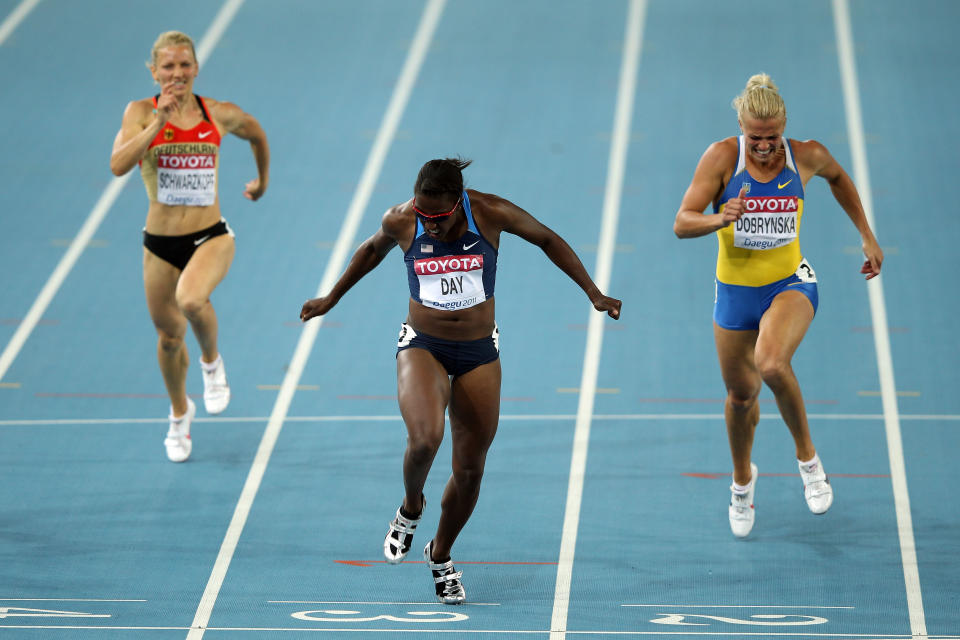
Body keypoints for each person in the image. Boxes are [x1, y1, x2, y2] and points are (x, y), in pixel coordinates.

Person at [300, 158, 621, 603]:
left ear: (458, 202)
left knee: (469, 471)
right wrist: (331, 298)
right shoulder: (402, 219)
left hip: (477, 352)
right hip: (423, 345)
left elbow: (547, 238)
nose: (428, 225)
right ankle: (411, 507)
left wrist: (594, 292)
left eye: (438, 217)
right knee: (424, 441)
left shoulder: (490, 213)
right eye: (422, 215)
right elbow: (372, 250)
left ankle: (441, 554)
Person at [674, 73, 883, 538]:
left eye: (771, 138)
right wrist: (719, 217)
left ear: (784, 128)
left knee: (771, 364)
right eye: (755, 138)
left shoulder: (805, 155)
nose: (764, 147)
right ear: (741, 128)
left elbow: (839, 179)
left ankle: (809, 462)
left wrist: (866, 236)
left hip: (789, 284)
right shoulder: (722, 158)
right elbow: (681, 223)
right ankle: (743, 481)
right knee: (741, 397)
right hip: (734, 293)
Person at [110, 31, 270, 463]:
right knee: (167, 338)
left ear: (196, 67)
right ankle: (180, 413)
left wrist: (261, 181)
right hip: (160, 243)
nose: (177, 73)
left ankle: (212, 364)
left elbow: (256, 133)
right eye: (168, 66)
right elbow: (118, 165)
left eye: (185, 65)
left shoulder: (216, 113)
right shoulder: (140, 113)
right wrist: (158, 125)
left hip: (210, 235)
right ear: (154, 71)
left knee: (192, 300)